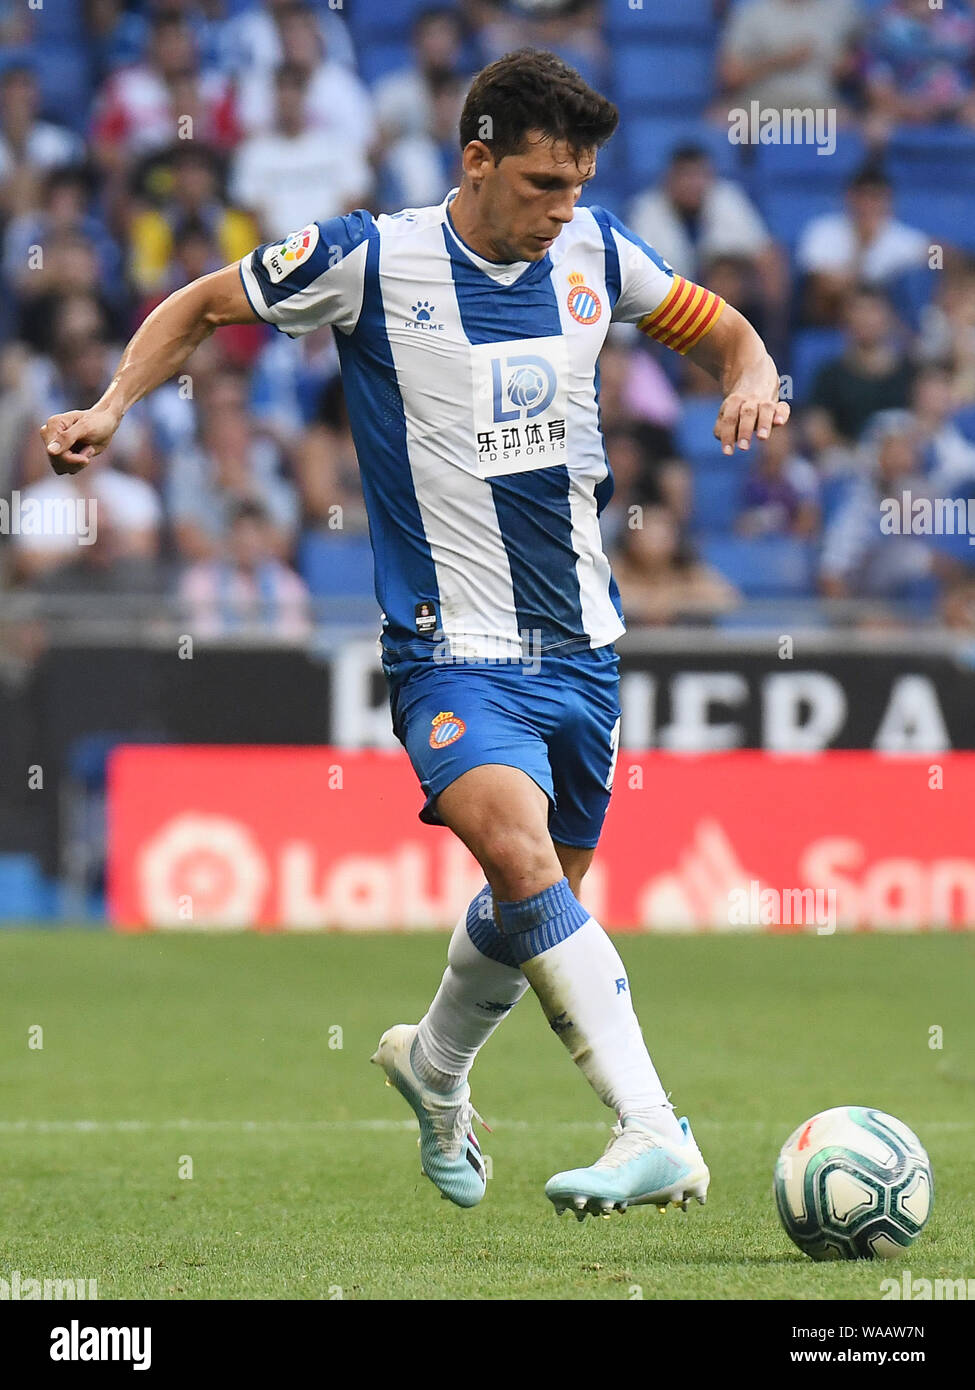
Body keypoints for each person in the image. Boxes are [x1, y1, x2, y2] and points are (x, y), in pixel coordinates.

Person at [39, 50, 790, 1221]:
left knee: (527, 906)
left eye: (578, 184)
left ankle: (434, 1068)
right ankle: (655, 1126)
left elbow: (728, 331)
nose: (562, 209)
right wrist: (111, 407)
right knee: (521, 858)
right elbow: (199, 304)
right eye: (542, 183)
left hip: (586, 651)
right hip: (451, 647)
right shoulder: (369, 259)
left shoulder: (596, 251)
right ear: (475, 159)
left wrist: (756, 374)